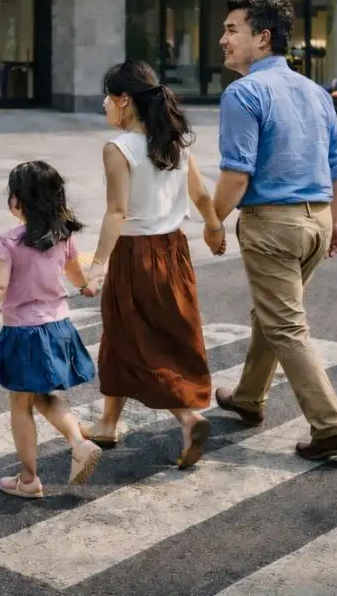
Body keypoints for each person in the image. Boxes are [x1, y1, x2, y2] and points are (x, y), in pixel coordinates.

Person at [211, 0, 337, 461]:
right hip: (316, 222)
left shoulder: (245, 91)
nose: (223, 39)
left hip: (273, 226)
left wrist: (213, 220)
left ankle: (331, 425)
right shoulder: (316, 92)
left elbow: (237, 173)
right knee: (273, 315)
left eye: (232, 30)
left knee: (286, 325)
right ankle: (249, 398)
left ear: (263, 38)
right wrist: (333, 222)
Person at [82, 61, 226, 470]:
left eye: (108, 97)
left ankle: (188, 418)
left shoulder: (119, 149)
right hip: (174, 252)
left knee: (138, 340)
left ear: (124, 101)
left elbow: (116, 213)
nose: (105, 105)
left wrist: (97, 265)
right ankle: (108, 424)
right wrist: (214, 229)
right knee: (131, 334)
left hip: (135, 255)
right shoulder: (175, 143)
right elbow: (200, 196)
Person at [0, 161, 104, 498]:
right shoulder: (63, 235)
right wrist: (87, 288)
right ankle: (79, 442)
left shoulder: (7, 242)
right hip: (59, 327)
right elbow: (76, 275)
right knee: (43, 395)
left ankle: (29, 479)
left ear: (17, 202)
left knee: (20, 406)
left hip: (25, 334)